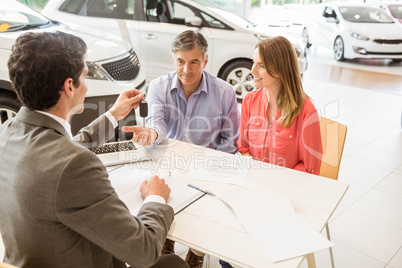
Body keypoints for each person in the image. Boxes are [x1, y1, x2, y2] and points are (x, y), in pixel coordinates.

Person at [0, 31, 188, 268]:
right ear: (69, 86)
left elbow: (61, 152)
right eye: (85, 77)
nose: (86, 86)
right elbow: (144, 252)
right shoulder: (74, 166)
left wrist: (113, 115)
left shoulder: (8, 131)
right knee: (173, 263)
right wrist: (155, 197)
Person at [122, 30, 240, 268]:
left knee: (206, 210)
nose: (187, 69)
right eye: (181, 61)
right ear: (173, 59)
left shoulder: (224, 92)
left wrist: (215, 173)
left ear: (205, 60)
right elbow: (157, 124)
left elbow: (229, 142)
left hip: (208, 166)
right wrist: (150, 134)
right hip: (170, 164)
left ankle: (197, 253)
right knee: (152, 194)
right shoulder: (158, 87)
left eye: (194, 62)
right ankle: (165, 241)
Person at [237, 36, 322, 175]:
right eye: (254, 62)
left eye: (261, 65)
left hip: (288, 187)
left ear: (281, 69)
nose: (253, 70)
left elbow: (309, 168)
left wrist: (275, 181)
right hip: (255, 182)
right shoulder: (249, 101)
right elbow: (244, 147)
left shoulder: (306, 111)